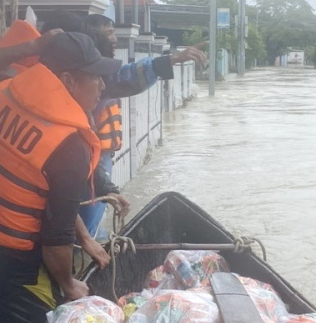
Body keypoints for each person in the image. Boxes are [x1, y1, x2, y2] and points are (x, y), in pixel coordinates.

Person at [0, 32, 122, 323]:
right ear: (67, 81)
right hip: (23, 266)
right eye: (95, 77)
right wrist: (69, 285)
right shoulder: (69, 147)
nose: (103, 87)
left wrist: (85, 238)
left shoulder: (3, 90)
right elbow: (55, 238)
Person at [43, 9, 207, 238]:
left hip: (97, 159)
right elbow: (127, 77)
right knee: (79, 221)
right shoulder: (82, 81)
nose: (114, 39)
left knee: (89, 218)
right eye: (109, 33)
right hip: (88, 160)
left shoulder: (96, 75)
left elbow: (126, 75)